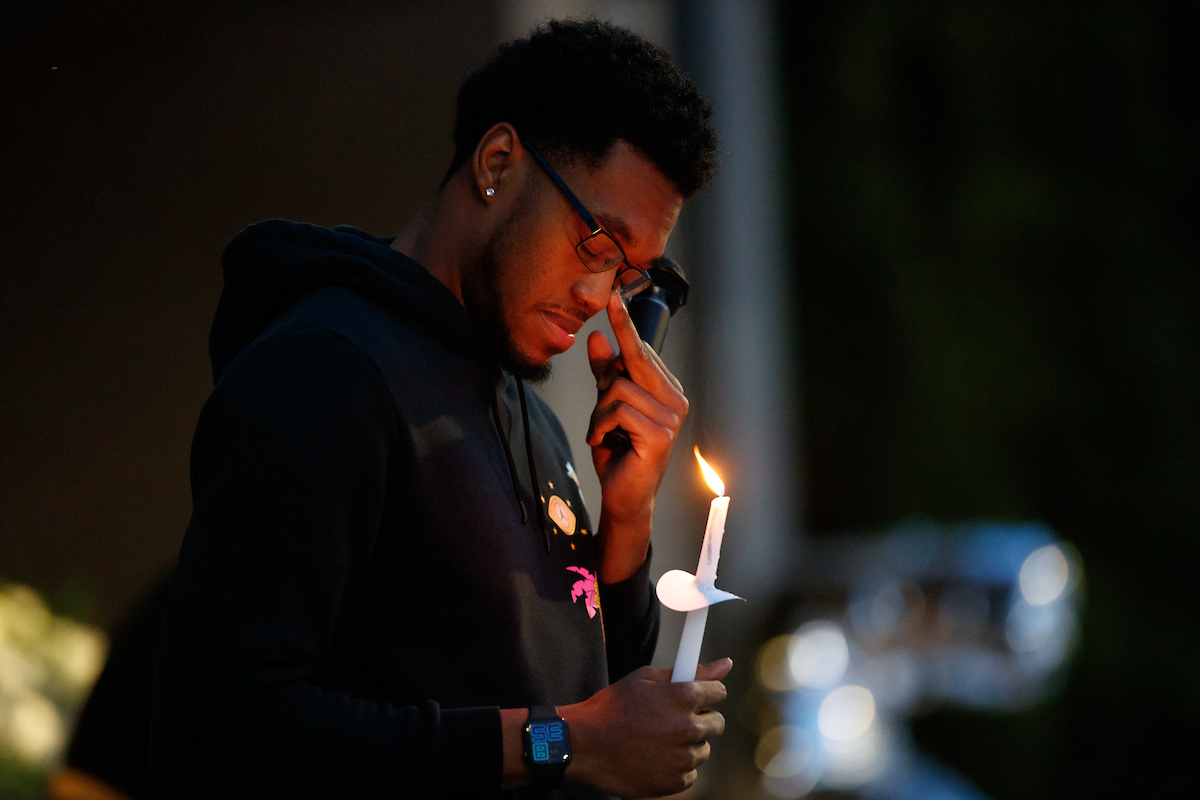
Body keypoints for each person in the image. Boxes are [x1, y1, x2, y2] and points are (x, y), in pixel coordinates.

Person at [151, 19, 729, 800]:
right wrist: (564, 741)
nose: (600, 299)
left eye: (632, 275)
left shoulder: (534, 417)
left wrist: (625, 524)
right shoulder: (328, 371)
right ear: (498, 163)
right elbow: (225, 726)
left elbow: (600, 722)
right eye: (597, 243)